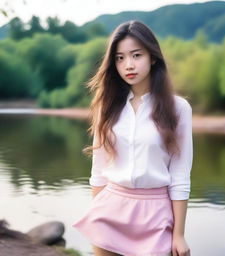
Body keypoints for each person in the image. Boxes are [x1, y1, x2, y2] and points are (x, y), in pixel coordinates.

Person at [72, 20, 193, 256]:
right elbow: (98, 170)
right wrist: (97, 213)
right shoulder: (105, 106)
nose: (128, 65)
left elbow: (180, 175)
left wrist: (179, 234)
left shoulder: (178, 108)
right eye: (119, 58)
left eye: (136, 55)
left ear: (153, 57)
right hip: (110, 211)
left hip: (156, 215)